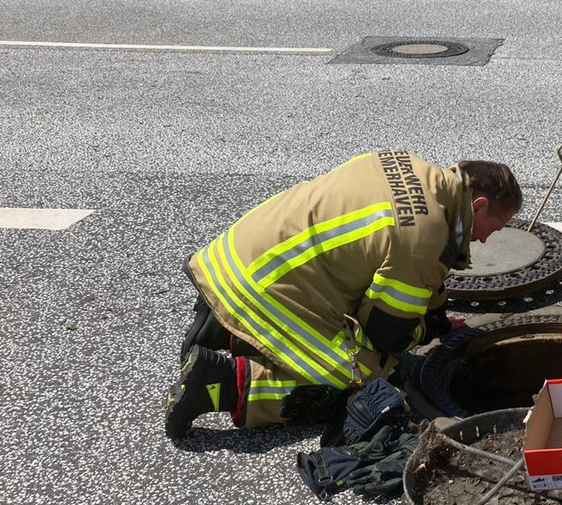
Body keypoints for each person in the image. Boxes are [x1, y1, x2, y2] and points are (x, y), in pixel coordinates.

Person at [164, 152, 522, 440]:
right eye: (496, 226)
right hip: (273, 287)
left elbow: (398, 264)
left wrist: (439, 319)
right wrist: (425, 333)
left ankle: (228, 329)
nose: (488, 239)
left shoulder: (407, 164)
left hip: (237, 259)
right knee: (367, 381)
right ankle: (223, 383)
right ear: (478, 205)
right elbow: (387, 332)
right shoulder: (425, 240)